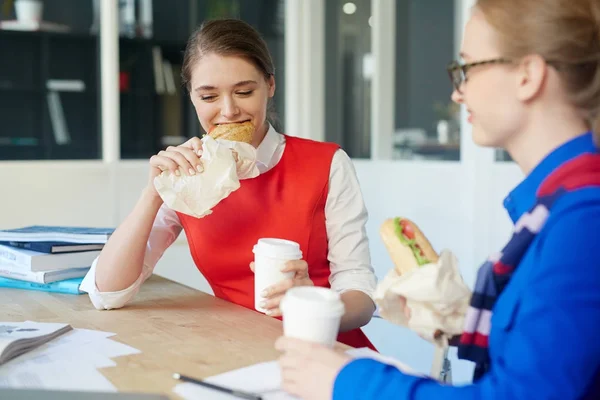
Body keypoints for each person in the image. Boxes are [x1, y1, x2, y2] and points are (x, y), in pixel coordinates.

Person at [274, 0, 600, 398]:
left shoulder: (583, 218)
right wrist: (462, 320)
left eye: (468, 69)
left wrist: (345, 381)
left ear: (528, 75)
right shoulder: (557, 205)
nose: (458, 93)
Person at [79, 19, 377, 349]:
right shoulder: (187, 175)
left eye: (244, 92)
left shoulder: (327, 164)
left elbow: (361, 293)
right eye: (208, 96)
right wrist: (153, 193)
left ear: (271, 85)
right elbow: (107, 293)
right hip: (239, 351)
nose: (229, 111)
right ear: (192, 98)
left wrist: (313, 308)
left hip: (330, 350)